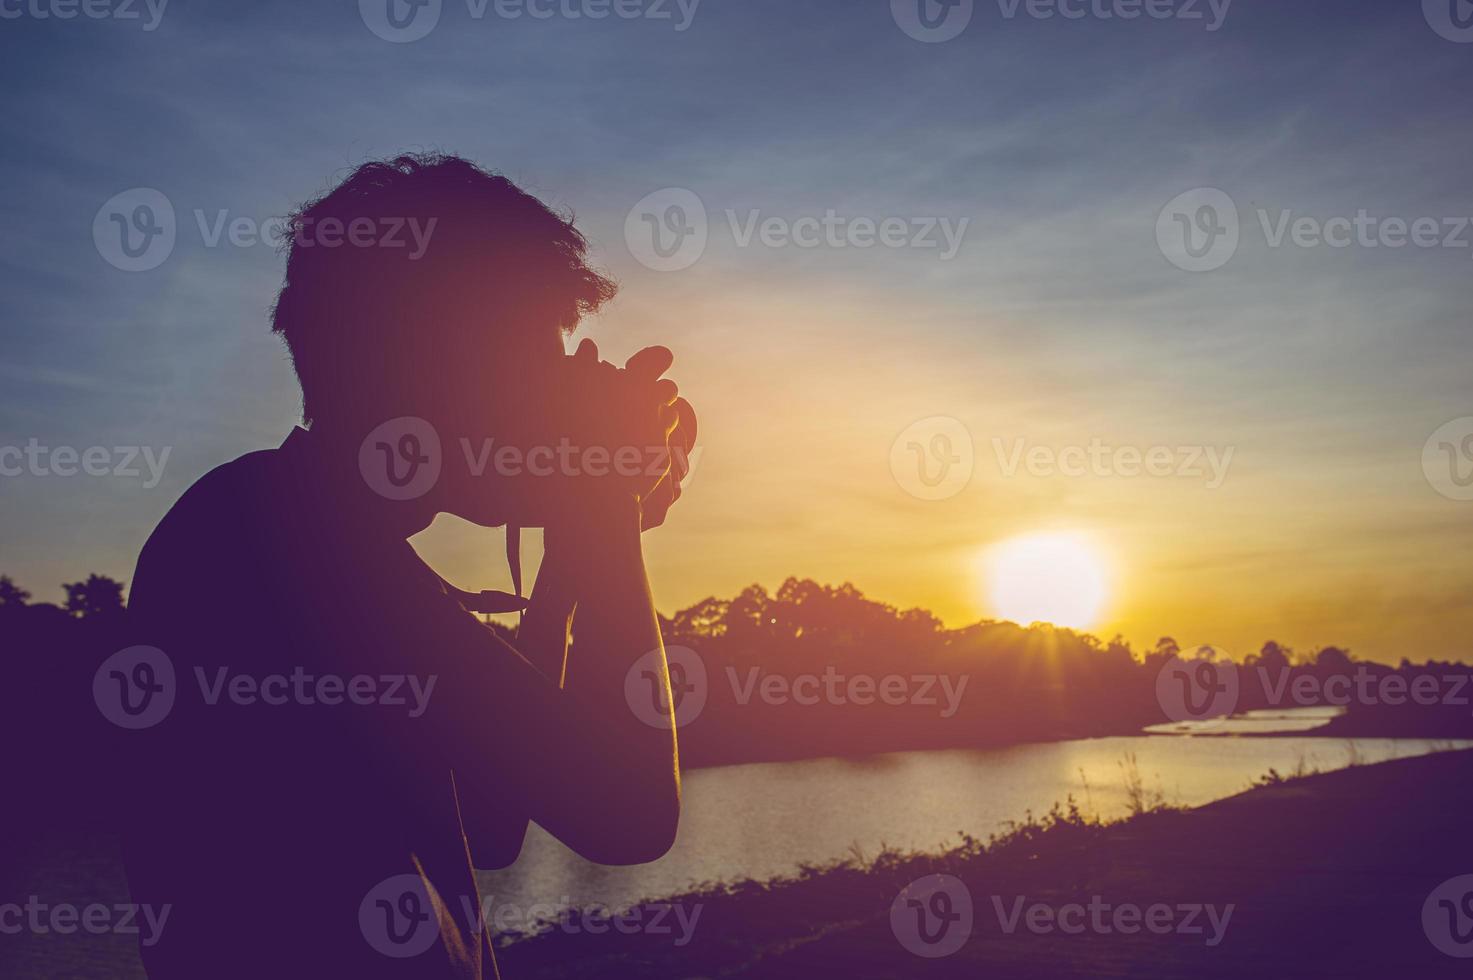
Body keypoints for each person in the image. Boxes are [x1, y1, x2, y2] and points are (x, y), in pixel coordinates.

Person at [120, 153, 689, 979]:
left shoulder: (307, 532)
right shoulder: (277, 538)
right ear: (415, 371)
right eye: (529, 368)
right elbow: (629, 816)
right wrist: (607, 504)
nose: (550, 405)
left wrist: (579, 527)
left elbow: (493, 822)